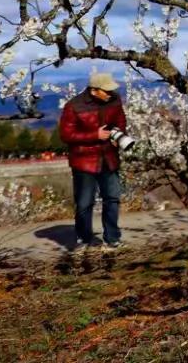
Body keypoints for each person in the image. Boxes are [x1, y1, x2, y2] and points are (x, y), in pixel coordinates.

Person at [58, 72, 127, 249]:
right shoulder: (74, 106)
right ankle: (83, 238)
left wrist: (118, 134)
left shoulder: (114, 100)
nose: (110, 93)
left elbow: (121, 120)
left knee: (112, 198)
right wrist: (94, 135)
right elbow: (66, 135)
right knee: (84, 202)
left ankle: (112, 237)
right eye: (107, 90)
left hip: (109, 158)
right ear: (94, 90)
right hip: (84, 161)